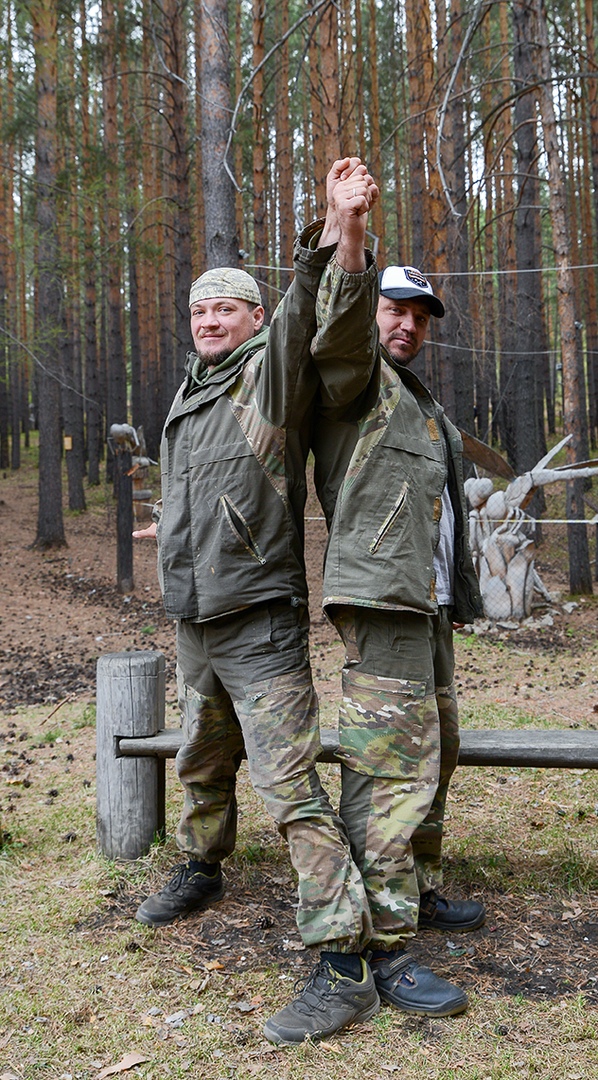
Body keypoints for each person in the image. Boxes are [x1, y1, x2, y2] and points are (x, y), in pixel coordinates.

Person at [134, 158, 390, 1045]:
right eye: (199, 310)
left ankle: (344, 961)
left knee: (290, 791)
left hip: (258, 620)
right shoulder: (190, 393)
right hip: (195, 618)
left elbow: (309, 312)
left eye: (224, 309)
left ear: (249, 318)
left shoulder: (264, 375)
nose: (209, 321)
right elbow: (204, 487)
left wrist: (334, 231)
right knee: (203, 759)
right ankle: (203, 864)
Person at [311, 263, 486, 1018]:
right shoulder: (354, 383)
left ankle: (416, 885)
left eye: (419, 315)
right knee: (383, 773)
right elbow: (338, 331)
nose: (407, 325)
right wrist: (348, 243)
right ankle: (384, 949)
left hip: (428, 609)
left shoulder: (423, 402)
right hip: (382, 604)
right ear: (369, 314)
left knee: (436, 750)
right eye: (393, 309)